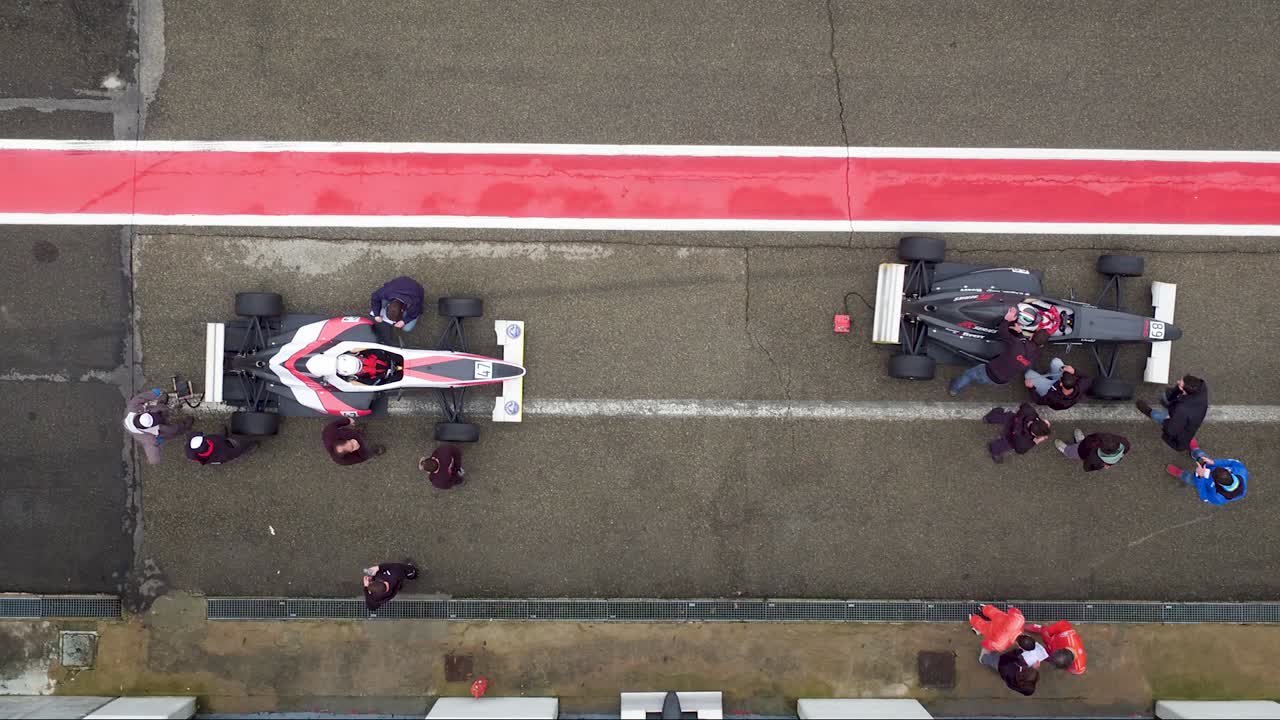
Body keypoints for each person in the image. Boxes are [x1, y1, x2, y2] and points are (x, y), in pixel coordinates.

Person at [949, 307, 1050, 396]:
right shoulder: (1036, 355)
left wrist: (1006, 320)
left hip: (989, 371)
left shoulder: (1017, 344)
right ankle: (979, 381)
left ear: (1032, 336)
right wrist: (1020, 334)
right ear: (1042, 345)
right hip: (1002, 380)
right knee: (983, 379)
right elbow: (1025, 351)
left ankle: (954, 389)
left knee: (969, 375)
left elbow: (1002, 331)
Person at [1136, 375, 1208, 452]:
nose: (1178, 381)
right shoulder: (1201, 390)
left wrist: (1167, 420)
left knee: (1160, 416)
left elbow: (1171, 430)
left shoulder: (1182, 410)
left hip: (1178, 418)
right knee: (1168, 397)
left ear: (1185, 392)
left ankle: (1150, 412)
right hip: (1184, 415)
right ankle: (1167, 403)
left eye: (1180, 384)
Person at [1165, 439, 1247, 506]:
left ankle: (1180, 473)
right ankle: (1195, 450)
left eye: (1212, 473)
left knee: (1190, 478)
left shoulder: (1218, 498)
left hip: (1203, 480)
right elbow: (1232, 462)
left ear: (1217, 483)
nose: (1211, 471)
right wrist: (1213, 462)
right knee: (1202, 456)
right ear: (1230, 473)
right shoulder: (1241, 471)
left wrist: (1200, 478)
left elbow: (1204, 496)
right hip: (1209, 466)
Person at [124, 387, 193, 464]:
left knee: (159, 408)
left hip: (152, 415)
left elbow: (140, 397)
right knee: (172, 430)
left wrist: (154, 393)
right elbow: (153, 458)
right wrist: (157, 443)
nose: (157, 417)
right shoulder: (147, 439)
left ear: (141, 414)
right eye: (155, 420)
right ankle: (184, 426)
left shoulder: (132, 407)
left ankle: (162, 403)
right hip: (158, 430)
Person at [983, 403, 1052, 464]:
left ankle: (988, 418)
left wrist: (1039, 420)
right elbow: (1020, 450)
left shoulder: (1030, 413)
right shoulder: (1023, 440)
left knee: (1002, 417)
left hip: (1012, 420)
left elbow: (1024, 406)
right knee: (1005, 444)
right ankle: (993, 449)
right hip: (1012, 437)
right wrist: (1036, 442)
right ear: (1033, 433)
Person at [1025, 358, 1092, 411]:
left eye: (1061, 376)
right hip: (1058, 387)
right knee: (1056, 361)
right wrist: (1074, 371)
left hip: (1049, 390)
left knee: (1028, 374)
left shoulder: (1054, 398)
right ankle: (1050, 377)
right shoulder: (1081, 385)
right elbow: (1087, 378)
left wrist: (1031, 388)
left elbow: (1039, 401)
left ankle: (1046, 380)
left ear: (1061, 383)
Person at [1055, 429, 1131, 471]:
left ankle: (1067, 451)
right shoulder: (1123, 444)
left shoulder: (1094, 457)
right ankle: (1080, 441)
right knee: (1083, 444)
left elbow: (1087, 466)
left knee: (1074, 452)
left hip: (1083, 450)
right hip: (1087, 447)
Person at [184, 428, 257, 465]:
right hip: (223, 454)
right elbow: (234, 452)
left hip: (216, 445)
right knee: (238, 450)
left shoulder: (189, 451)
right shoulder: (222, 453)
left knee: (218, 438)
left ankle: (222, 435)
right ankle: (247, 448)